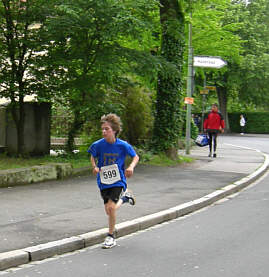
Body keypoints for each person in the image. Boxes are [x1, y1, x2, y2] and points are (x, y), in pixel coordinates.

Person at [87, 113, 139, 249]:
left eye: (107, 129)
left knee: (111, 208)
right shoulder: (98, 145)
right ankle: (126, 198)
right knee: (109, 210)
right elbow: (92, 156)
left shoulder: (122, 145)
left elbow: (135, 157)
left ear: (114, 130)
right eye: (103, 129)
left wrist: (131, 167)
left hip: (118, 180)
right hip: (103, 181)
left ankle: (110, 237)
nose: (104, 131)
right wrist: (94, 167)